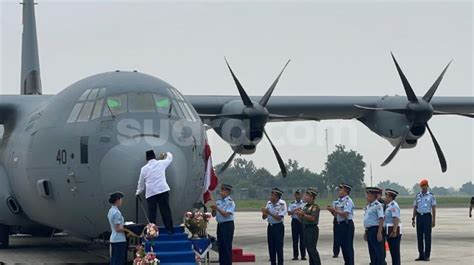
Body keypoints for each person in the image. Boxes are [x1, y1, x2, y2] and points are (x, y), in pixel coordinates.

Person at [136, 150, 174, 234]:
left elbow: (141, 182)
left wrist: (138, 192)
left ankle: (152, 232)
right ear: (154, 156)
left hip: (151, 193)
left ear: (146, 159)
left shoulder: (143, 169)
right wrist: (166, 153)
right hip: (162, 190)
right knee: (165, 210)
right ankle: (169, 229)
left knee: (152, 213)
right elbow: (170, 158)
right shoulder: (161, 163)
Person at [327, 183, 355, 265]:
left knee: (348, 246)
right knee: (343, 246)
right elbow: (336, 215)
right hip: (339, 224)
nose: (339, 191)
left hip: (347, 224)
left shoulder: (348, 201)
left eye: (341, 190)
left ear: (346, 191)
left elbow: (345, 214)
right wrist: (332, 211)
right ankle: (346, 262)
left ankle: (350, 263)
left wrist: (335, 210)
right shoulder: (336, 201)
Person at [412, 178, 436, 261]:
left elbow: (433, 208)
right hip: (419, 217)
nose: (423, 188)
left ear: (427, 186)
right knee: (419, 236)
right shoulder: (418, 195)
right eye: (422, 186)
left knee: (427, 237)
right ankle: (421, 255)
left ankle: (427, 255)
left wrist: (433, 220)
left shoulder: (431, 196)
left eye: (424, 186)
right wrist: (413, 218)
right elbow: (415, 207)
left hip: (427, 217)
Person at [211, 184, 236, 265]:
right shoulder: (218, 201)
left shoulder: (230, 202)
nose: (221, 192)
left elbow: (226, 214)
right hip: (220, 225)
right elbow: (214, 215)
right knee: (221, 247)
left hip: (227, 225)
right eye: (221, 190)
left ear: (227, 192)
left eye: (223, 191)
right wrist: (214, 210)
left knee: (226, 247)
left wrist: (217, 208)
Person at [262, 188, 287, 265]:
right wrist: (264, 213)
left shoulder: (282, 204)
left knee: (278, 247)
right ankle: (273, 263)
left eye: (273, 195)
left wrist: (269, 213)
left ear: (277, 197)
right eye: (271, 195)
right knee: (271, 247)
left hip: (278, 227)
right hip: (270, 226)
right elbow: (264, 217)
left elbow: (279, 217)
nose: (271, 197)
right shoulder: (269, 203)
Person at [296, 188, 321, 265]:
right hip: (305, 228)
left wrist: (303, 214)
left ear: (312, 197)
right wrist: (299, 215)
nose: (305, 197)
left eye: (307, 195)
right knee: (308, 249)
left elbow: (313, 218)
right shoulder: (305, 206)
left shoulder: (315, 207)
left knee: (312, 248)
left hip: (312, 229)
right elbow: (302, 219)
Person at [363, 187, 385, 265]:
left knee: (377, 251)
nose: (367, 197)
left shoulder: (377, 205)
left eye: (368, 195)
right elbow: (368, 220)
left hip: (375, 230)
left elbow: (381, 219)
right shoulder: (369, 206)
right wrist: (366, 231)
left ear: (373, 196)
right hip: (369, 230)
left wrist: (379, 232)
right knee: (371, 250)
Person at [107, 192, 127, 265]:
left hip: (113, 238)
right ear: (117, 200)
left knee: (113, 259)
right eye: (121, 199)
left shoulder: (110, 211)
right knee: (118, 260)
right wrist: (128, 229)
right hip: (119, 239)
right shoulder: (117, 213)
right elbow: (118, 228)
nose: (121, 201)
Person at [384, 189, 402, 265]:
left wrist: (394, 231)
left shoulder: (393, 206)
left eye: (386, 196)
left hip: (393, 231)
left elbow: (396, 218)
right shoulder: (388, 206)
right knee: (392, 251)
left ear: (391, 197)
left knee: (395, 252)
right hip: (388, 230)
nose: (385, 198)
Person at [287, 189, 306, 261]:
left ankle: (303, 255)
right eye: (296, 195)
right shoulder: (292, 203)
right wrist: (295, 210)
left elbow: (305, 212)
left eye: (299, 195)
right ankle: (295, 255)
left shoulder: (304, 203)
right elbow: (289, 213)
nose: (298, 196)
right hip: (294, 221)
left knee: (303, 239)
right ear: (294, 196)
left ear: (301, 195)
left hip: (301, 221)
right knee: (295, 239)